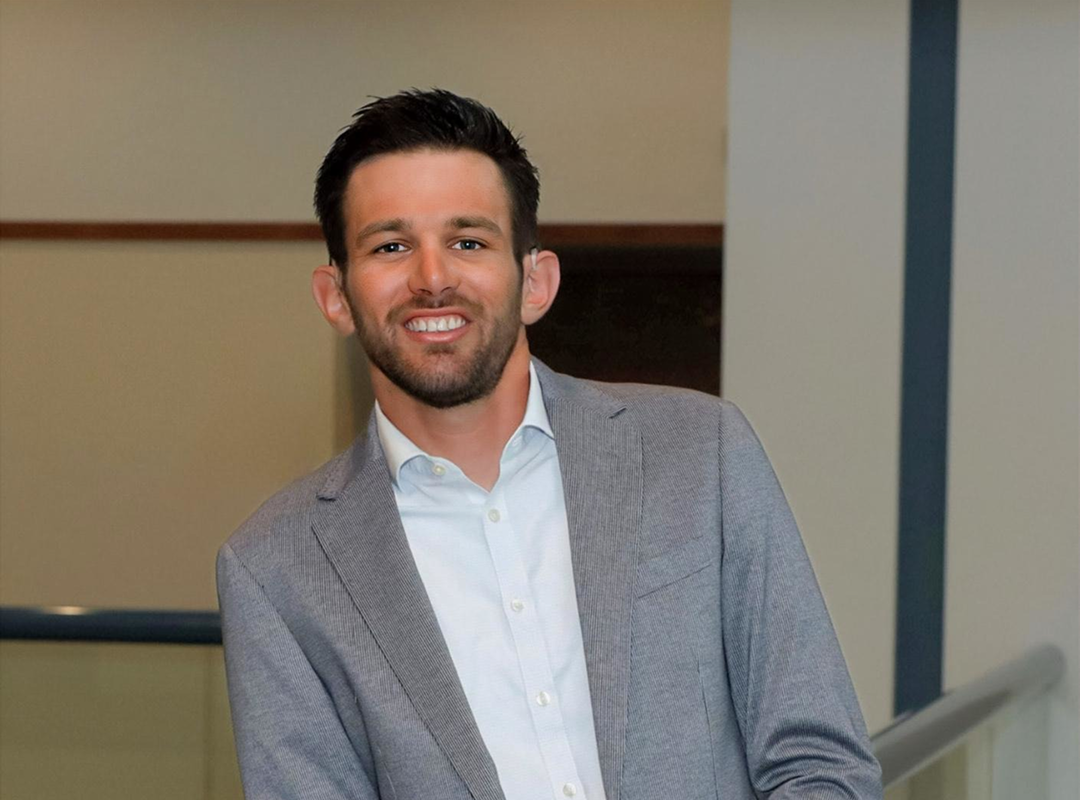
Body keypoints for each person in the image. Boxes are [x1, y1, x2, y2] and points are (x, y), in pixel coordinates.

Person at [217, 89, 882, 800]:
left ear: (535, 281)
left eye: (468, 241)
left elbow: (821, 764)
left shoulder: (702, 454)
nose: (432, 278)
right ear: (337, 297)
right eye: (391, 246)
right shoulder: (275, 569)